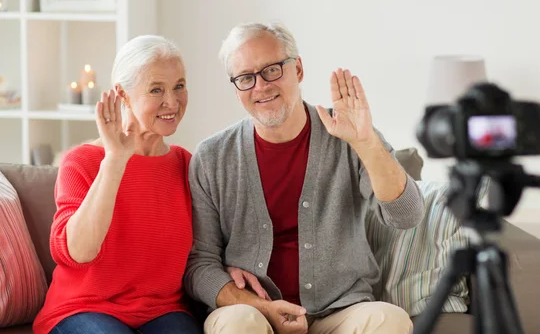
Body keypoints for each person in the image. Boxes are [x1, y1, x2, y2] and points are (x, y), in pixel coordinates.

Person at [184, 22, 426, 334]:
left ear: (297, 69)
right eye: (246, 78)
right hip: (252, 313)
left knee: (387, 320)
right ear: (236, 88)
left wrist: (366, 144)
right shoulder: (213, 157)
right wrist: (263, 308)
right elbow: (199, 265)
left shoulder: (348, 133)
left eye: (272, 70)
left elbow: (408, 215)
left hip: (341, 310)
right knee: (238, 324)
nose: (260, 86)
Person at [33, 35, 266, 334]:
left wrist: (226, 269)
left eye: (179, 86)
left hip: (163, 311)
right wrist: (115, 160)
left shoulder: (186, 165)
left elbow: (207, 245)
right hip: (83, 309)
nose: (173, 101)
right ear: (123, 95)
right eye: (157, 89)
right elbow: (78, 252)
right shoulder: (82, 162)